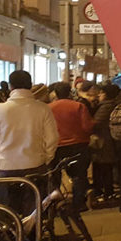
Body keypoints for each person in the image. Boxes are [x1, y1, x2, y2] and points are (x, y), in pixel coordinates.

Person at [0, 71, 58, 213]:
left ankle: (12, 234)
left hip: (7, 166)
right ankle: (32, 235)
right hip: (35, 165)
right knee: (33, 211)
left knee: (9, 211)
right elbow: (53, 138)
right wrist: (46, 158)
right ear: (30, 85)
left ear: (10, 86)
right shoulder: (43, 109)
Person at [49, 82, 94, 212]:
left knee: (55, 177)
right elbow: (87, 127)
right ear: (70, 92)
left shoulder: (49, 108)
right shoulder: (78, 106)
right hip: (78, 146)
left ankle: (55, 204)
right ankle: (78, 204)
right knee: (79, 175)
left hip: (56, 147)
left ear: (55, 94)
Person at [90, 83, 120, 202]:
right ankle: (106, 191)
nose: (99, 95)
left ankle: (105, 191)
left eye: (101, 93)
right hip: (106, 140)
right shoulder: (108, 105)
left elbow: (96, 123)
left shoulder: (106, 106)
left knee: (103, 168)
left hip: (103, 141)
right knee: (104, 167)